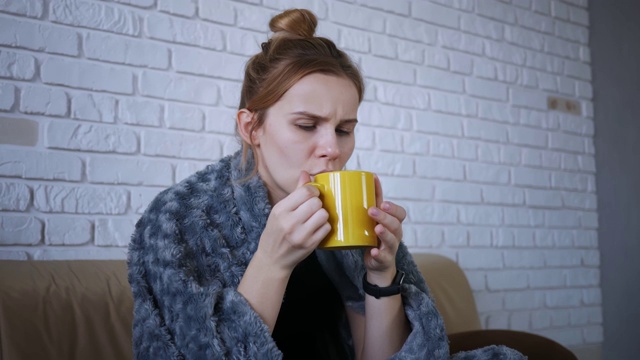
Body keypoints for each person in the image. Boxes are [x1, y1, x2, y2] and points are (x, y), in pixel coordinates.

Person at [128, 8, 524, 360]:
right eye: (306, 125)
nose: (332, 149)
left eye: (344, 129)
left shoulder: (348, 214)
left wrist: (381, 276)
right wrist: (272, 260)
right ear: (252, 128)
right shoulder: (180, 218)